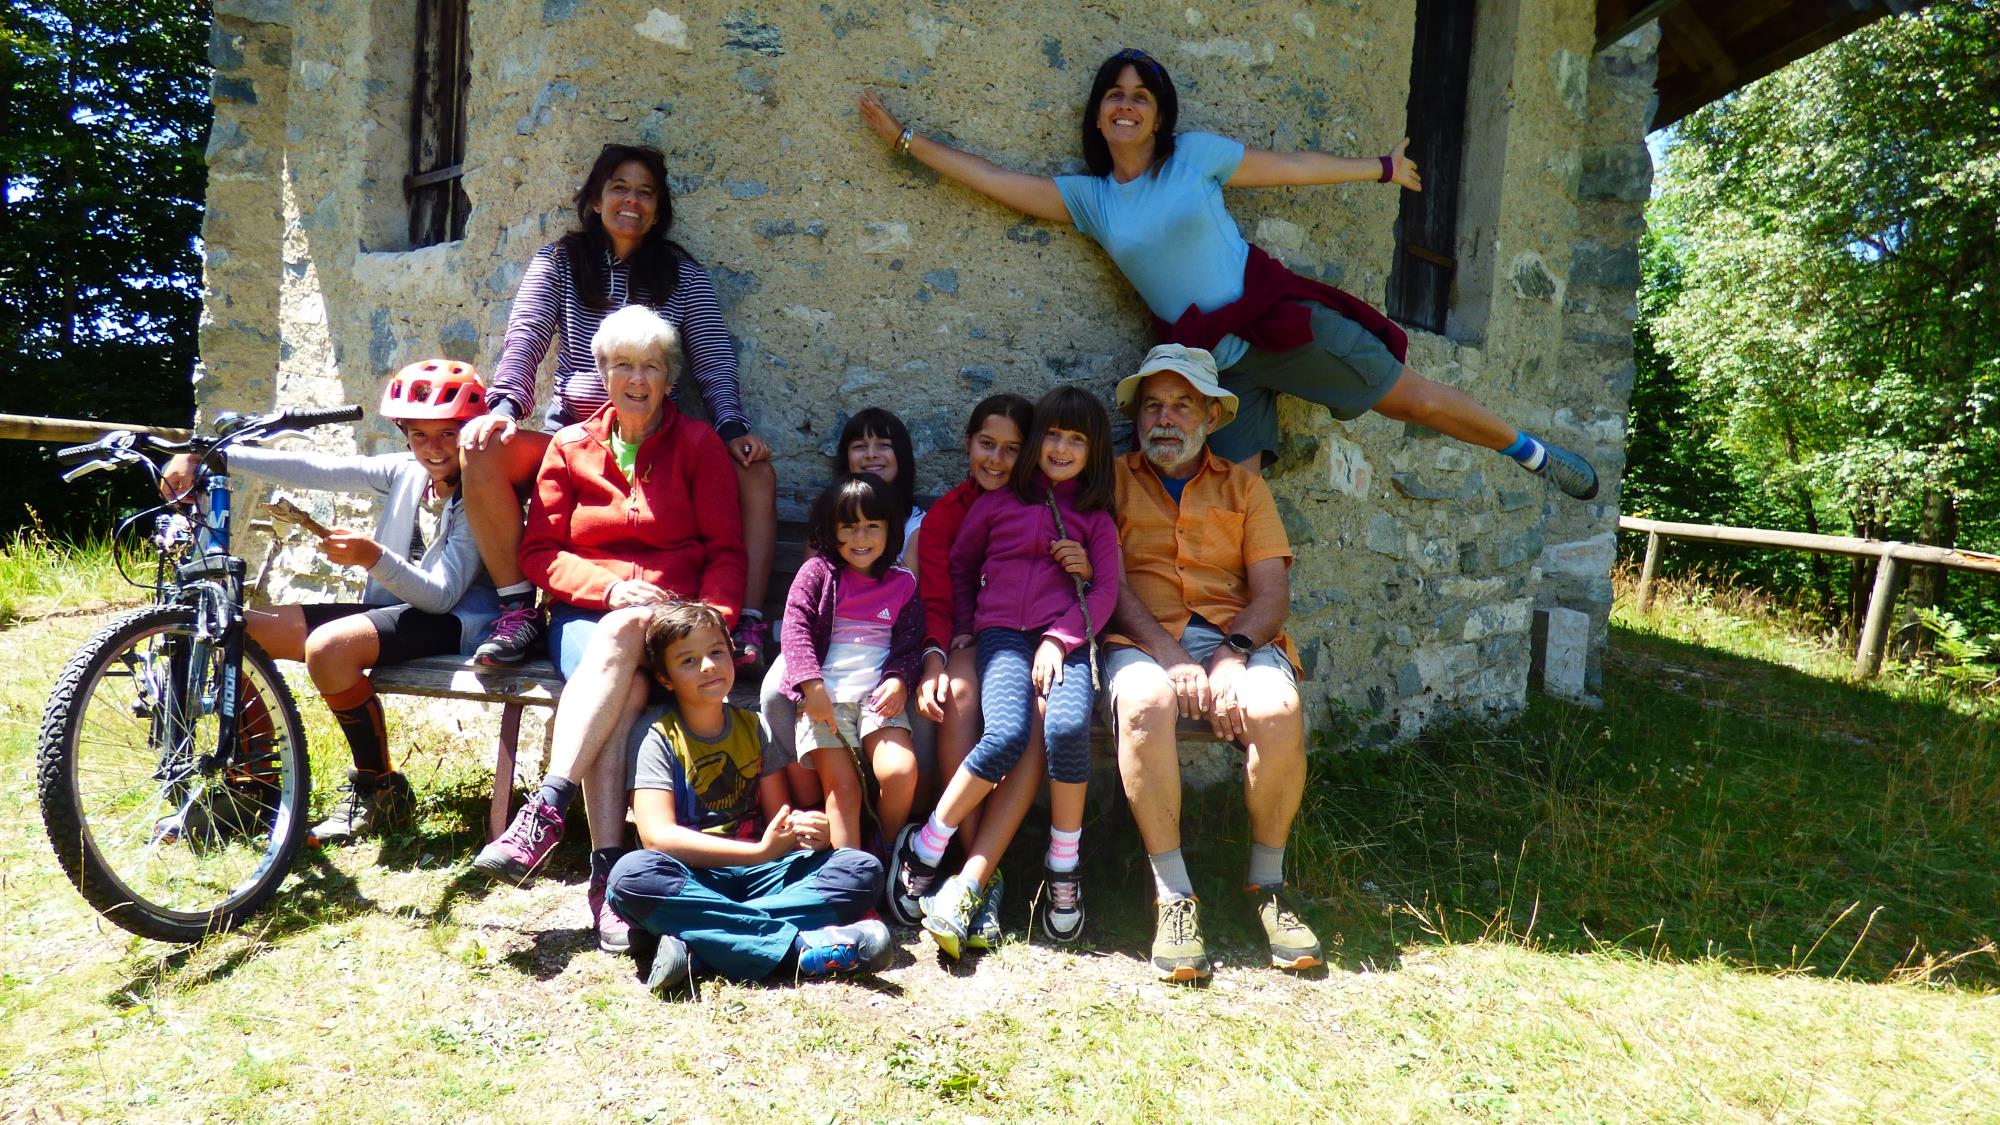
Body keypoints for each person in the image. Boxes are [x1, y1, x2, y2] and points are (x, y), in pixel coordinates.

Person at [857, 51, 1600, 498]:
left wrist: (1377, 167)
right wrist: (905, 141)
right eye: (1114, 94)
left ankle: (1529, 452)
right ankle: (1233, 646)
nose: (1126, 104)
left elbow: (1290, 167)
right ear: (1099, 115)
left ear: (1159, 116)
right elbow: (993, 178)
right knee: (1231, 499)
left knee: (1415, 401)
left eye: (1141, 95)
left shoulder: (1194, 157)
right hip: (1211, 369)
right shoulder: (1091, 200)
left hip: (1279, 323)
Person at [472, 305, 745, 958]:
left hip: (673, 623)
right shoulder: (569, 446)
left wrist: (711, 624)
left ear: (670, 377)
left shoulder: (698, 446)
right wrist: (611, 590)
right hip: (585, 619)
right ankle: (611, 880)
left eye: (651, 366)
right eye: (623, 365)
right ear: (602, 373)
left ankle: (548, 808)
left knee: (625, 643)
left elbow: (726, 551)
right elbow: (540, 552)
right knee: (623, 689)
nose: (637, 379)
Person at [456, 142, 780, 669]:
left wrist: (731, 426)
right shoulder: (560, 261)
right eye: (619, 188)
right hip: (571, 441)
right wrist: (504, 410)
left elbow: (712, 356)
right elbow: (526, 338)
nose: (632, 201)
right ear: (595, 199)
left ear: (658, 209)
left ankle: (743, 618)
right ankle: (518, 609)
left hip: (658, 443)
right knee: (482, 450)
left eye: (645, 192)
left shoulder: (682, 274)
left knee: (756, 473)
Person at [162, 360, 500, 844]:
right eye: (419, 434)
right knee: (239, 628)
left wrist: (372, 557)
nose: (434, 447)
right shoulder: (407, 471)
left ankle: (379, 787)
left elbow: (442, 594)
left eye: (449, 432)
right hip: (400, 610)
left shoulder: (481, 487)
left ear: (471, 431)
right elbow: (320, 470)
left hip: (458, 620)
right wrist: (215, 457)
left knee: (329, 648)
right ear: (404, 433)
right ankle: (256, 784)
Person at [1103, 344, 1325, 982]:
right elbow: (1110, 584)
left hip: (1237, 641)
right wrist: (1170, 654)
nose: (1164, 418)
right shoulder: (1110, 481)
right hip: (1142, 638)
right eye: (1152, 405)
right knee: (1145, 703)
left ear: (1211, 416)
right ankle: (1173, 893)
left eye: (1182, 405)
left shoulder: (1245, 487)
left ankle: (1268, 885)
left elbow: (1272, 595)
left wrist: (1232, 655)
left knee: (1277, 710)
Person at [900, 386, 1121, 958]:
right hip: (1001, 639)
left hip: (1066, 646)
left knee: (1066, 730)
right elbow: (960, 566)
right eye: (1053, 435)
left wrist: (1060, 637)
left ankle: (1063, 869)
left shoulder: (1095, 519)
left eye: (1077, 440)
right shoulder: (998, 505)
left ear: (1095, 451)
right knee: (1005, 734)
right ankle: (931, 843)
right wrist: (965, 628)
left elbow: (1106, 593)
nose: (1062, 448)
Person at [605, 601, 893, 992]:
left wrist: (808, 832)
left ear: (732, 655)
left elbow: (779, 819)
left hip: (761, 876)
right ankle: (797, 949)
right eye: (688, 661)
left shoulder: (754, 725)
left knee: (860, 869)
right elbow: (658, 837)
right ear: (665, 678)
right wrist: (758, 852)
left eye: (716, 652)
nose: (708, 666)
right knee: (630, 877)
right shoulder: (656, 734)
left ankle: (698, 942)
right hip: (691, 877)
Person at [902, 393, 1043, 940]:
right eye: (987, 444)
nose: (996, 460)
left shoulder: (1042, 506)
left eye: (1012, 449)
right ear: (967, 443)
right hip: (968, 636)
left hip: (1032, 642)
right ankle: (974, 867)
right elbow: (937, 599)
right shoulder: (947, 515)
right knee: (958, 694)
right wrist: (934, 658)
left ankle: (979, 871)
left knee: (1034, 716)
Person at [759, 408, 926, 808]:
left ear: (902, 456)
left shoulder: (914, 522)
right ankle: (810, 803)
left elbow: (910, 594)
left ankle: (914, 804)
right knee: (774, 692)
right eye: (859, 446)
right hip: (822, 640)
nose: (871, 454)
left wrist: (900, 672)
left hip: (882, 645)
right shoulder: (833, 511)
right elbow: (807, 595)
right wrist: (811, 673)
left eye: (883, 445)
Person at [775, 473, 923, 856]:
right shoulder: (818, 574)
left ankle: (884, 849)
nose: (861, 537)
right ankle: (849, 870)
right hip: (825, 699)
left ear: (890, 530)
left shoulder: (902, 582)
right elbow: (795, 629)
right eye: (849, 526)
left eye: (873, 526)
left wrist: (899, 680)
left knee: (900, 771)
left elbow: (910, 643)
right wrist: (811, 687)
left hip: (878, 699)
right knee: (843, 789)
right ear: (831, 530)